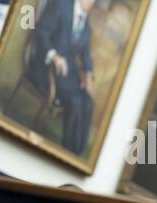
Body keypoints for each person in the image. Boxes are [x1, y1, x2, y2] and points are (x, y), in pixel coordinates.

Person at [27, 0, 96, 155]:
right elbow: (42, 33)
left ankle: (77, 153)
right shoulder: (60, 5)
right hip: (47, 69)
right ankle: (67, 150)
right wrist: (54, 56)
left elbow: (85, 55)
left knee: (88, 103)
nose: (93, 2)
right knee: (76, 101)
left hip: (67, 75)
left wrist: (88, 74)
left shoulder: (86, 24)